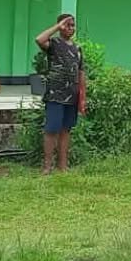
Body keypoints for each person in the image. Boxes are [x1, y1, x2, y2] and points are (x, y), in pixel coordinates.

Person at [35, 13, 85, 173]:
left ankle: (62, 166)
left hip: (72, 95)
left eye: (72, 25)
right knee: (51, 130)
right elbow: (39, 39)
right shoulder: (54, 43)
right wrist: (57, 26)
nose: (70, 28)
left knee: (66, 129)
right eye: (66, 25)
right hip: (55, 94)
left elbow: (81, 73)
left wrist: (83, 97)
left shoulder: (77, 48)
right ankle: (47, 166)